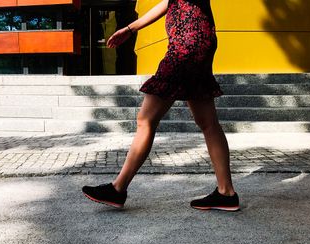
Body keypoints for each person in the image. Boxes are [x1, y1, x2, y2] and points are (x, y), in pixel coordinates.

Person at [82, 0, 240, 211]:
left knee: (146, 119)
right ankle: (226, 193)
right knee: (209, 123)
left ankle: (118, 189)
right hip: (196, 42)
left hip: (186, 45)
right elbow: (168, 2)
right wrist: (130, 28)